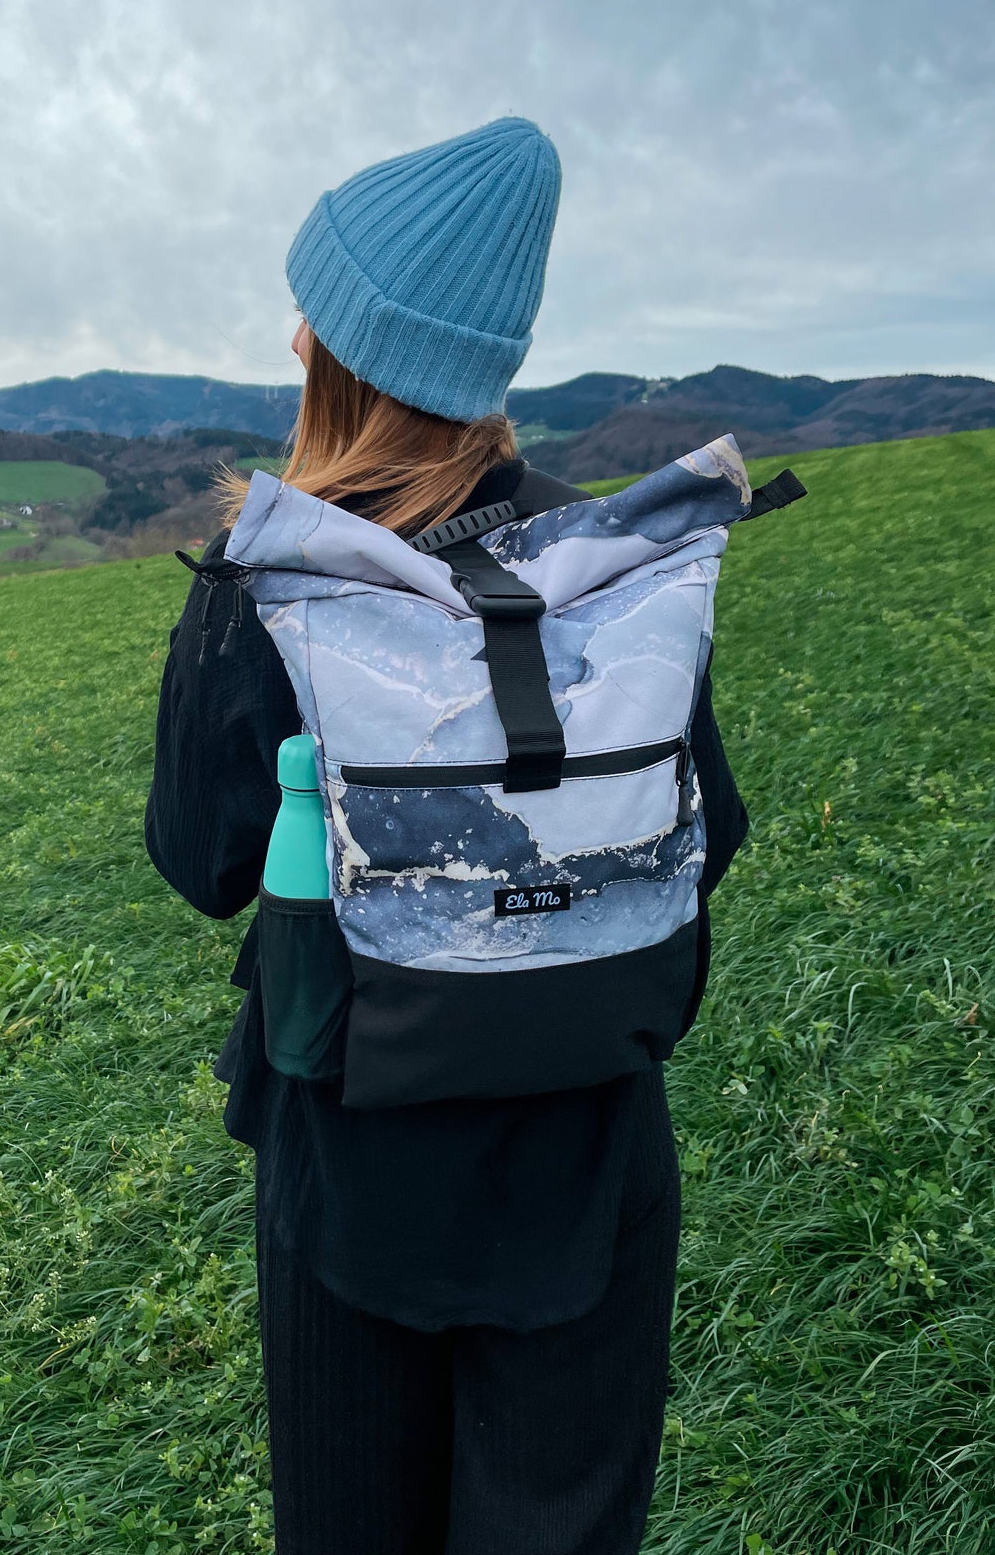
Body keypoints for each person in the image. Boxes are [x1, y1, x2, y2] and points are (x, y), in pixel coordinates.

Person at [144, 117, 749, 1555]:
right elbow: (705, 834)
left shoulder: (271, 577)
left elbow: (201, 859)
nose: (296, 333)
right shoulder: (606, 564)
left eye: (314, 313)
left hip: (352, 1149)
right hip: (587, 1142)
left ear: (345, 357)